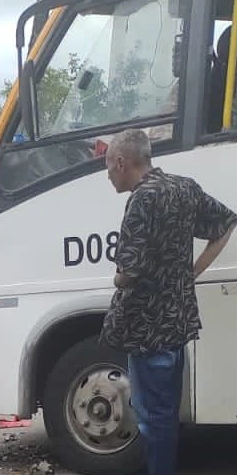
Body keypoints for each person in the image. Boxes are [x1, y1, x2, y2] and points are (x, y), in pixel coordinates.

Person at [99, 129, 237, 475]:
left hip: (146, 324)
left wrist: (117, 278)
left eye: (108, 167)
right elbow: (225, 223)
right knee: (165, 412)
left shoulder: (142, 198)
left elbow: (128, 270)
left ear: (121, 162)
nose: (108, 176)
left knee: (150, 417)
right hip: (177, 319)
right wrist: (191, 272)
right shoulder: (184, 186)